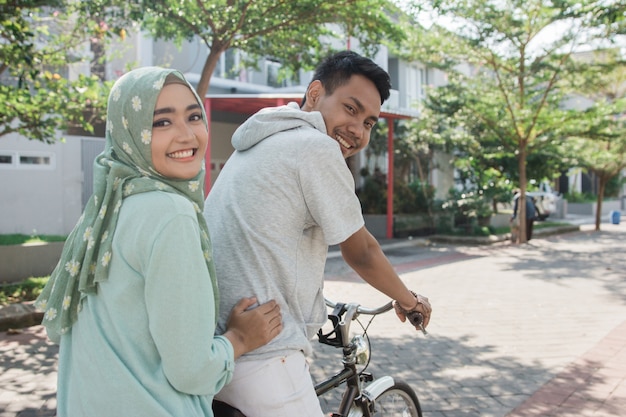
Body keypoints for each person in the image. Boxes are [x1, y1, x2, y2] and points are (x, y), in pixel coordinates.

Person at [34, 66, 282, 417]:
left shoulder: (108, 207)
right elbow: (191, 371)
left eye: (194, 116)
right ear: (130, 132)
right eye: (161, 122)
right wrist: (239, 340)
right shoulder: (171, 214)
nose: (186, 134)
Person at [203, 50, 432, 417]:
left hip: (221, 345)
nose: (358, 130)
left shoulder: (263, 137)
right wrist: (409, 300)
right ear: (314, 94)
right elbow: (362, 253)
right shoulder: (315, 147)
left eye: (370, 122)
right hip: (265, 357)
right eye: (351, 109)